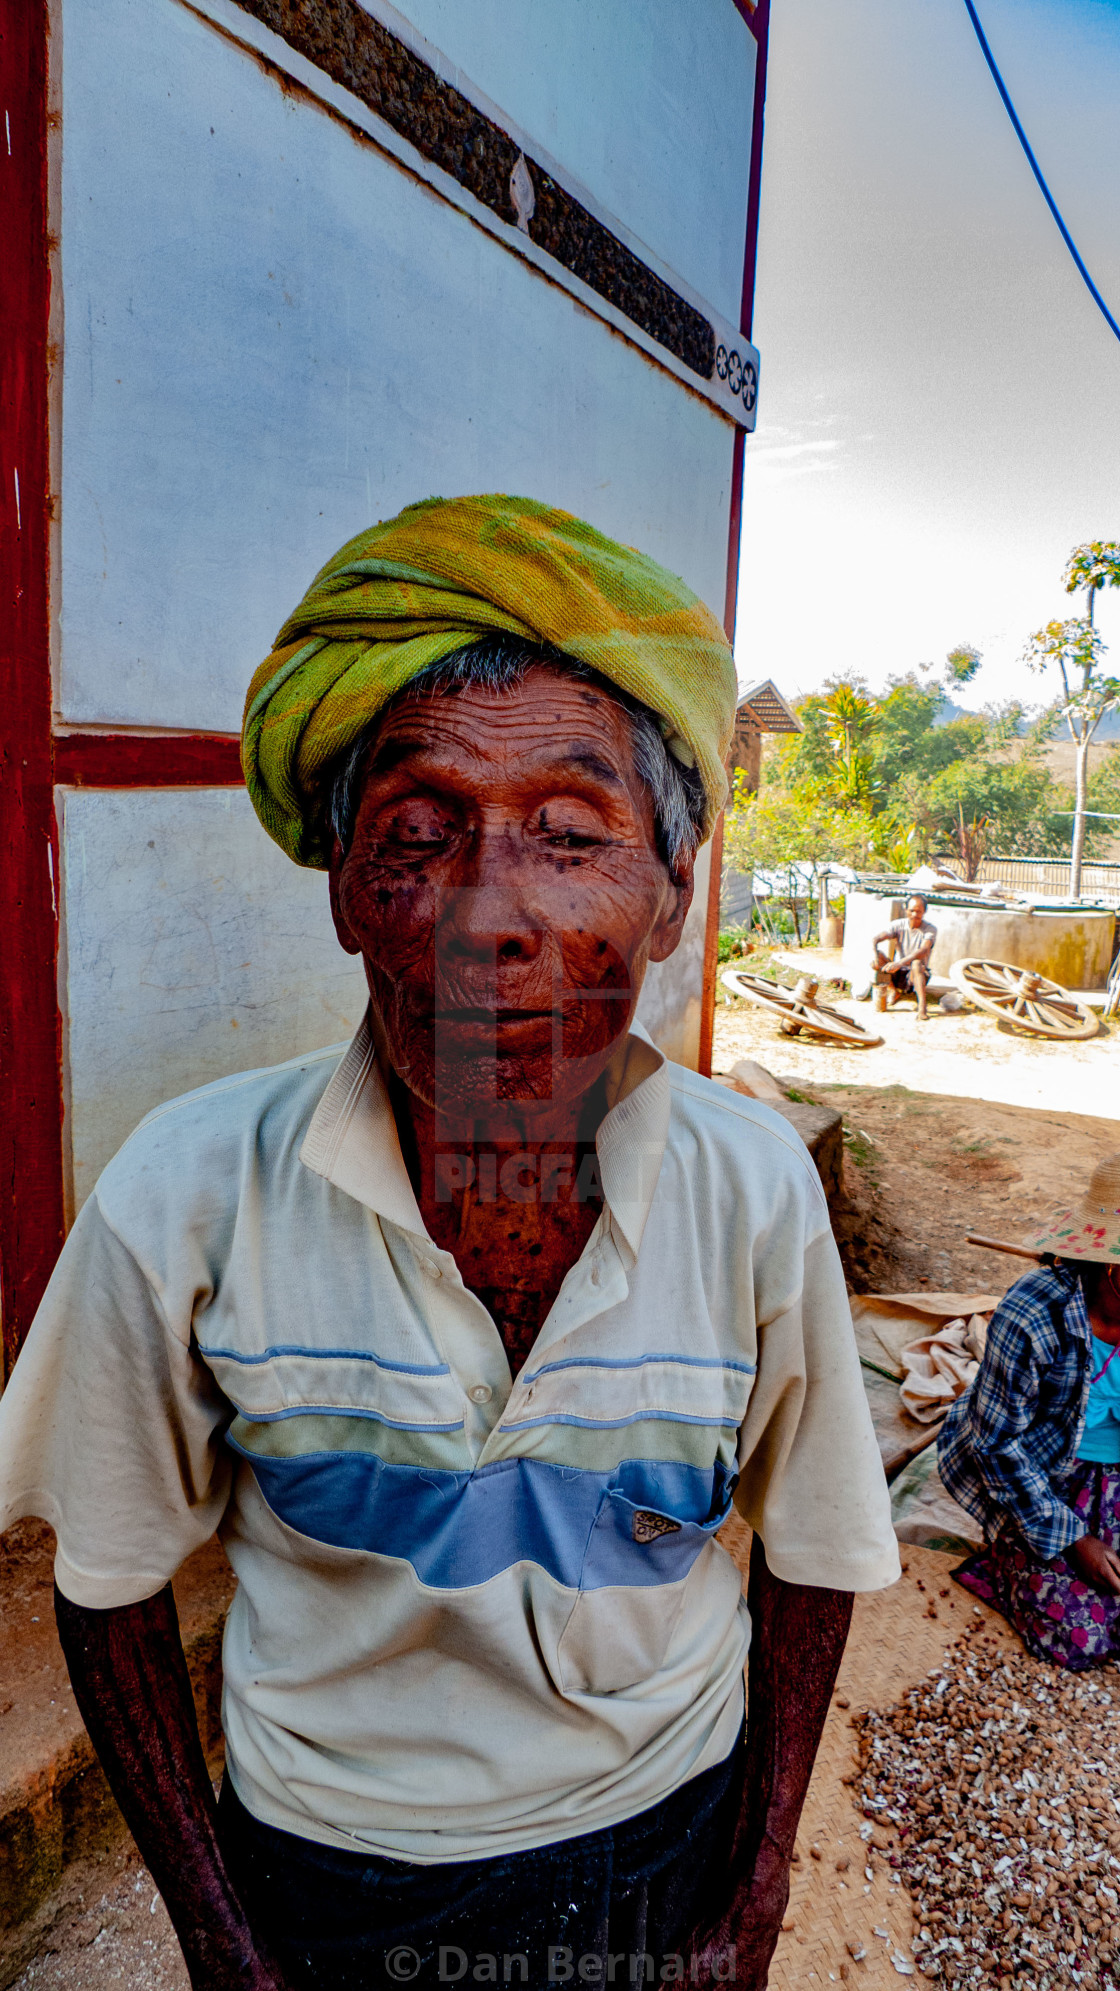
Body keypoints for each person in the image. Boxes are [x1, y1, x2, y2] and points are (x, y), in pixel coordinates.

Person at [0, 496, 899, 1991]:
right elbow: (105, 1580)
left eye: (570, 835)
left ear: (672, 898)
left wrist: (754, 1899)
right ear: (352, 892)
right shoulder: (191, 1193)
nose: (494, 912)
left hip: (667, 1819)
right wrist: (226, 1946)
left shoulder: (750, 1189)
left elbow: (816, 1545)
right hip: (334, 1855)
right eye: (421, 836)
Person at [939, 1153, 1120, 1670]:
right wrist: (1074, 1537)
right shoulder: (1035, 1312)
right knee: (1078, 1635)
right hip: (1037, 1474)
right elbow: (995, 1444)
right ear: (1109, 1268)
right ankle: (1006, 1555)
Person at [869, 895, 936, 1021]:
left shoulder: (930, 929)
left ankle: (922, 1007)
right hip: (898, 973)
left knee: (916, 963)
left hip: (916, 974)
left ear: (924, 912)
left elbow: (924, 950)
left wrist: (900, 963)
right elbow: (877, 938)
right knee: (877, 959)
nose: (915, 914)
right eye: (912, 910)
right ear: (906, 909)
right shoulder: (898, 925)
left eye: (919, 911)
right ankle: (893, 990)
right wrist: (875, 954)